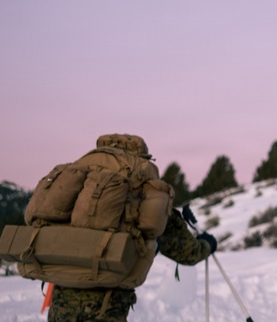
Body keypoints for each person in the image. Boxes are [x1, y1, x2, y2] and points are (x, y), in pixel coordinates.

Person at [42, 136, 218, 322]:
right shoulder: (147, 195)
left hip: (60, 301)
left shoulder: (78, 185)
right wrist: (207, 244)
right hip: (107, 307)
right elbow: (186, 252)